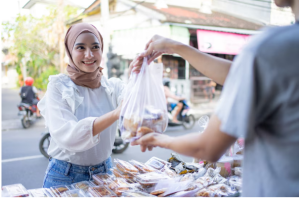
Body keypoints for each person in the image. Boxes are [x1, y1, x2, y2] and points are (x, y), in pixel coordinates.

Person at [131, 0, 299, 196]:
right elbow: (238, 74)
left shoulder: (272, 47)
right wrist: (175, 46)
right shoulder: (282, 50)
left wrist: (158, 139)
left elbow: (208, 147)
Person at [38, 23, 143, 188]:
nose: (89, 55)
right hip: (65, 176)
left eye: (95, 47)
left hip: (105, 172)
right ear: (70, 51)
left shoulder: (112, 86)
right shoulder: (59, 86)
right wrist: (116, 113)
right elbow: (70, 137)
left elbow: (135, 105)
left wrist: (136, 75)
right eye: (80, 47)